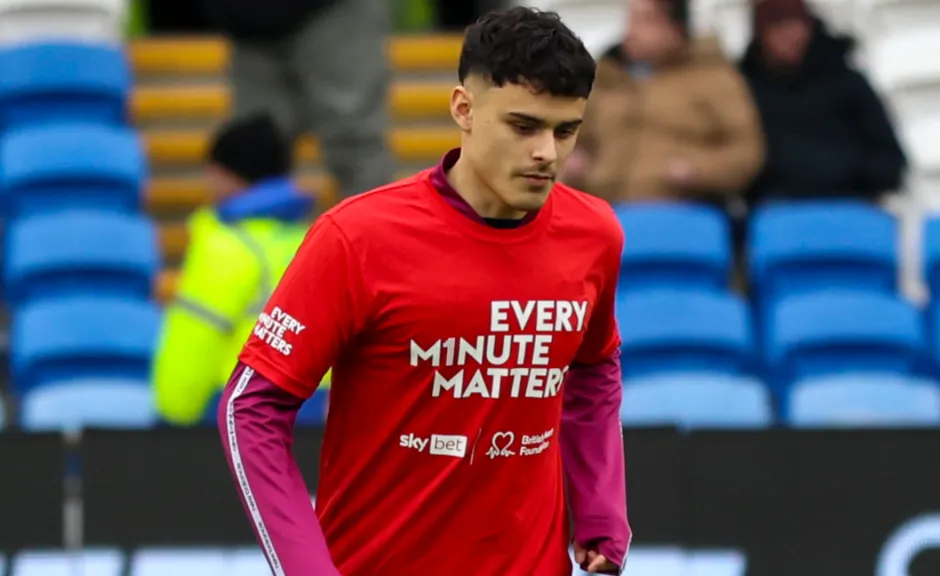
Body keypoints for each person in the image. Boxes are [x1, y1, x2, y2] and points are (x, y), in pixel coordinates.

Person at [217, 7, 630, 576]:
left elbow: (593, 367)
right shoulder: (356, 238)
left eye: (565, 130)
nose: (547, 154)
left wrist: (602, 510)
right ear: (463, 108)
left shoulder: (594, 233)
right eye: (523, 126)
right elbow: (251, 409)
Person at [153, 113, 316, 426]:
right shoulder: (311, 241)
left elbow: (193, 342)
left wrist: (169, 419)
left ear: (224, 174)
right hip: (315, 415)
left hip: (239, 416)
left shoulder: (225, 247)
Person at [560, 0, 764, 204]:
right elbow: (575, 137)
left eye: (646, 20)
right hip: (601, 210)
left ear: (676, 30)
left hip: (677, 213)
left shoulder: (714, 78)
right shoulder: (607, 77)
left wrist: (698, 170)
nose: (631, 31)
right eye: (631, 19)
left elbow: (747, 152)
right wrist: (574, 158)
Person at [204, 0, 393, 197]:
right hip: (248, 24)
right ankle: (253, 226)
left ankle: (370, 225)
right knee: (250, 153)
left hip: (335, 11)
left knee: (354, 142)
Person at [738, 0, 907, 206]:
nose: (794, 36)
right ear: (762, 34)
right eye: (780, 28)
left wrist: (845, 174)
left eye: (799, 26)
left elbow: (890, 161)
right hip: (775, 208)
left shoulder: (847, 82)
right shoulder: (743, 88)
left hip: (851, 204)